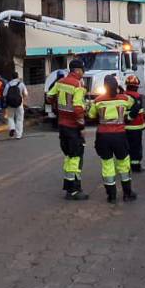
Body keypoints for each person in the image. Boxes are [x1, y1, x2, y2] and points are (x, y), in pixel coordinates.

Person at [89, 75, 137, 203]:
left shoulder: (98, 101)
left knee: (107, 165)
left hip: (103, 137)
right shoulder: (124, 99)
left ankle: (111, 196)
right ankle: (127, 193)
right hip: (119, 136)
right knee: (123, 164)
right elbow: (134, 103)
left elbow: (91, 114)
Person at [48, 59, 89, 200]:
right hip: (73, 127)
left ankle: (68, 186)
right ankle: (74, 190)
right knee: (76, 157)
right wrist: (82, 126)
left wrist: (58, 106)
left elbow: (49, 96)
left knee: (68, 156)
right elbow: (78, 108)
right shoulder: (78, 84)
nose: (83, 72)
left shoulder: (60, 82)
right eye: (83, 70)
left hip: (62, 125)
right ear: (77, 70)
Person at [123, 74, 145, 172]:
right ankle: (136, 166)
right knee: (136, 148)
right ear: (136, 87)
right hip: (135, 127)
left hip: (125, 127)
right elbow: (136, 110)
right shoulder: (137, 97)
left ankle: (126, 166)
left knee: (127, 147)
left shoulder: (123, 96)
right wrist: (128, 118)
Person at [2, 72, 27, 139]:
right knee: (19, 119)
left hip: (10, 104)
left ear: (12, 77)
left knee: (10, 117)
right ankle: (18, 135)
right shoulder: (21, 84)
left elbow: (4, 94)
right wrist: (22, 99)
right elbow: (25, 94)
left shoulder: (8, 84)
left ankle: (12, 128)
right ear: (17, 76)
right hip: (19, 104)